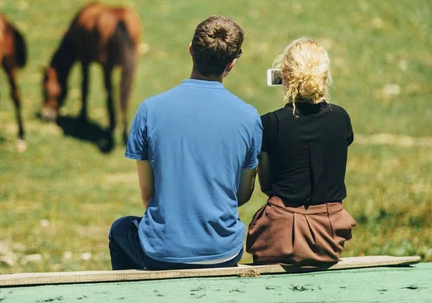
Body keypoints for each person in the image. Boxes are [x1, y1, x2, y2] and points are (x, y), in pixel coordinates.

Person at [108, 15, 262, 270]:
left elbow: (148, 195)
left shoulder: (150, 110)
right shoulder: (249, 117)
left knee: (121, 229)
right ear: (232, 64)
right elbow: (242, 195)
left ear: (191, 50)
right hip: (224, 252)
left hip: (161, 253)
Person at [246, 38, 356, 267]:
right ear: (325, 77)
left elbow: (266, 185)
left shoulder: (270, 123)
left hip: (280, 236)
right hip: (329, 239)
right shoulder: (341, 118)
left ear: (284, 76)